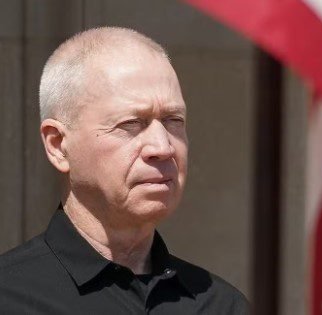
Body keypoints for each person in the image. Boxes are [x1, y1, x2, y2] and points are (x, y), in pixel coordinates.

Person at [0, 27, 249, 314]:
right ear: (58, 145)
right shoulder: (11, 298)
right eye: (131, 124)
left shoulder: (222, 305)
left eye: (173, 120)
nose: (162, 147)